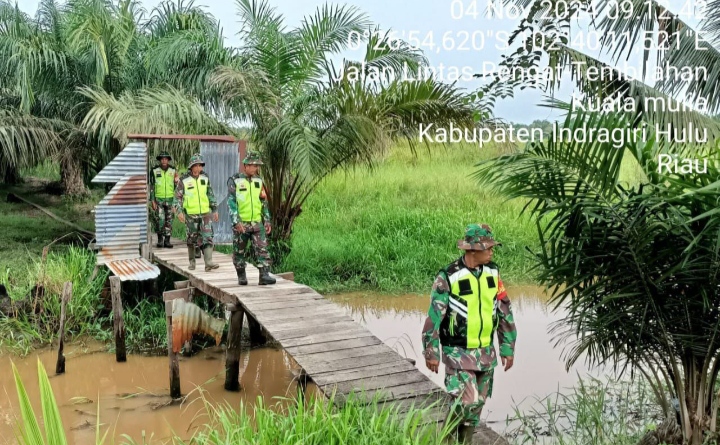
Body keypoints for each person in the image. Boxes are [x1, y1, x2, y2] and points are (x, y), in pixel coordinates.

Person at [421, 223, 517, 444]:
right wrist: (431, 352)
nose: (492, 251)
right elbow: (434, 317)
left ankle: (463, 442)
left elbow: (504, 310)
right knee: (467, 402)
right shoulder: (449, 276)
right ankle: (445, 438)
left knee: (477, 405)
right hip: (458, 352)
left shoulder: (493, 272)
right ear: (472, 249)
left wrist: (507, 347)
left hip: (486, 352)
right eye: (488, 247)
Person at [227, 151, 275, 285]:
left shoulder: (259, 181)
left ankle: (264, 275)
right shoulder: (235, 180)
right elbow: (231, 203)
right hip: (242, 224)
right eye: (254, 165)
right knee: (239, 251)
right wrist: (236, 222)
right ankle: (241, 275)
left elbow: (263, 201)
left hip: (257, 223)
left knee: (262, 248)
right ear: (246, 165)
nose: (256, 168)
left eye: (257, 166)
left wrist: (266, 220)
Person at [173, 153, 220, 271]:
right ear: (191, 166)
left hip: (205, 213)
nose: (198, 168)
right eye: (196, 165)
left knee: (208, 236)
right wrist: (179, 212)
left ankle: (208, 263)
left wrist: (214, 209)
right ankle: (192, 262)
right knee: (192, 239)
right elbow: (177, 198)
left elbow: (210, 194)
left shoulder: (205, 178)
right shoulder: (184, 180)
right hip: (190, 214)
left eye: (200, 166)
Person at [149, 152, 178, 248]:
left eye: (166, 159)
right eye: (162, 159)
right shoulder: (154, 170)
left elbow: (177, 187)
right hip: (159, 199)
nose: (164, 161)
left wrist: (175, 202)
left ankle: (167, 241)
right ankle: (160, 240)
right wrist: (152, 200)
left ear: (168, 160)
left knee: (169, 221)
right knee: (160, 220)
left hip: (170, 199)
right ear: (160, 160)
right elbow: (152, 186)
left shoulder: (173, 170)